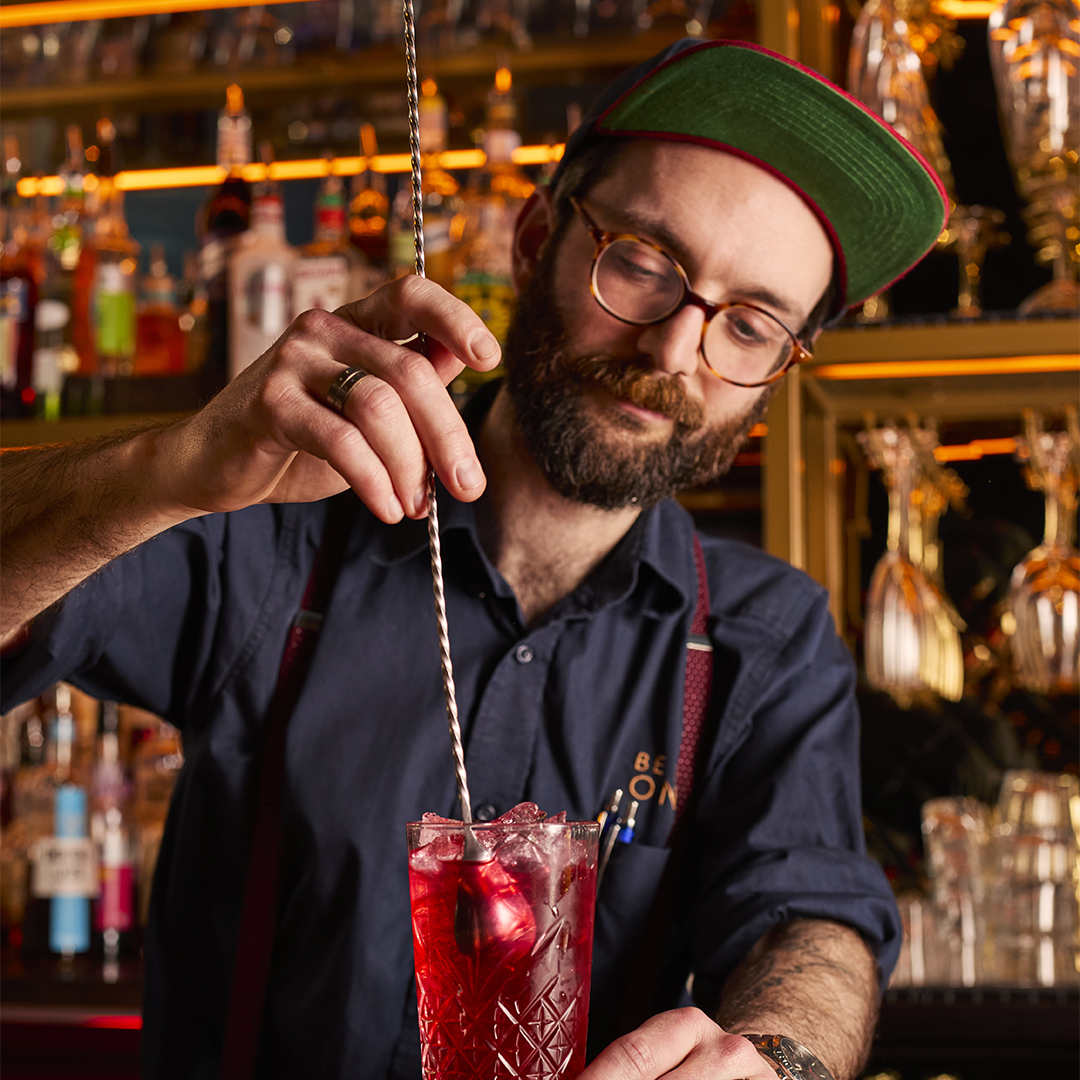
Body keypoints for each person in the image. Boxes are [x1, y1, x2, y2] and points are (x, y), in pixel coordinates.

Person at [1, 39, 946, 1080]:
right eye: (641, 262)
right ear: (538, 234)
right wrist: (165, 466)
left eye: (752, 323)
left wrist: (779, 1057)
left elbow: (810, 920)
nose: (674, 352)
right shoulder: (275, 532)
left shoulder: (766, 642)